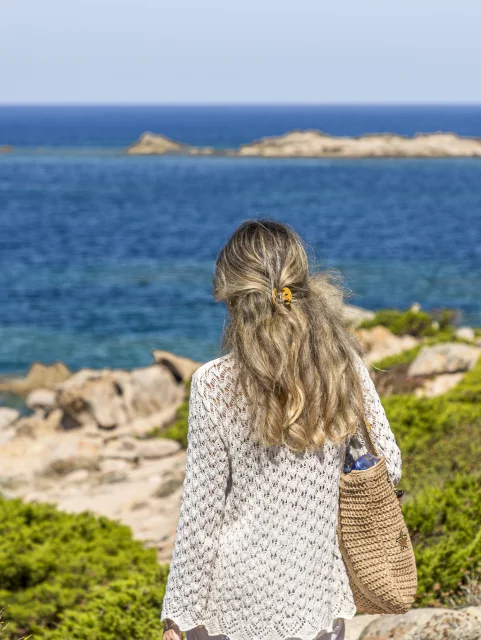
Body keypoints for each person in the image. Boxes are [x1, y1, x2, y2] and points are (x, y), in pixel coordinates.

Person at [161, 219, 402, 640]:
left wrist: (178, 616)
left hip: (232, 603)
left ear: (230, 292)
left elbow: (202, 515)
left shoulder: (214, 383)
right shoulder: (344, 368)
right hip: (319, 594)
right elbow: (389, 465)